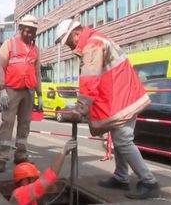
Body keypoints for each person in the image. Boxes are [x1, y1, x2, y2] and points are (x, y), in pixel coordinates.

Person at [54, 19, 160, 199]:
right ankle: (121, 177)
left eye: (69, 42)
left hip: (123, 98)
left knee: (123, 140)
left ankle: (148, 181)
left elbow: (90, 79)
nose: (69, 47)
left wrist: (80, 108)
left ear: (76, 34)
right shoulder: (96, 41)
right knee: (120, 139)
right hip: (122, 96)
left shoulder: (92, 45)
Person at [0, 15, 43, 173]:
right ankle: (2, 157)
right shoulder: (10, 44)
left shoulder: (35, 49)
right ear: (21, 29)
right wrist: (2, 90)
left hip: (28, 91)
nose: (30, 34)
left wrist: (40, 94)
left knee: (25, 125)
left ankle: (21, 155)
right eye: (28, 31)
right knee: (7, 123)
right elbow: (0, 68)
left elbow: (37, 72)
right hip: (12, 90)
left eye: (33, 32)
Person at [10, 139, 77, 205]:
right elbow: (49, 177)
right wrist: (63, 152)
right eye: (33, 179)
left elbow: (47, 185)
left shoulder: (20, 194)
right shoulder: (22, 193)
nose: (35, 181)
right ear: (25, 180)